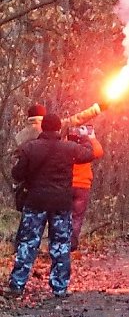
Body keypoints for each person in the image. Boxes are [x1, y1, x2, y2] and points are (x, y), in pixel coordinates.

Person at [6, 114, 101, 297]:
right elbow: (90, 154)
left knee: (28, 243)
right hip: (61, 204)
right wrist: (87, 137)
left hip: (35, 202)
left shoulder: (30, 148)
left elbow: (17, 174)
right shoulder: (69, 149)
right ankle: (59, 288)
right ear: (58, 129)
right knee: (60, 245)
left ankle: (17, 285)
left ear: (43, 128)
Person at [69, 125, 105, 252]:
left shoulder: (66, 146)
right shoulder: (86, 148)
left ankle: (61, 243)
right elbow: (98, 152)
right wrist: (91, 138)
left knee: (63, 215)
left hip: (67, 185)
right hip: (83, 186)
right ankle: (72, 245)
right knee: (77, 217)